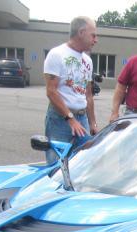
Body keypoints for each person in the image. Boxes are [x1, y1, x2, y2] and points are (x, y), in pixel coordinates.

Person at [43, 16, 98, 164]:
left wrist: (92, 123)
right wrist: (70, 119)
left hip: (82, 118)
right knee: (56, 164)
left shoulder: (88, 61)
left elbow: (88, 95)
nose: (96, 39)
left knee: (83, 164)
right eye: (93, 35)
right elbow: (51, 91)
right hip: (60, 120)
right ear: (81, 32)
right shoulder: (57, 54)